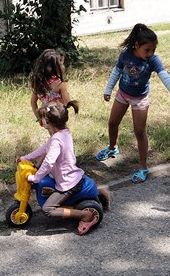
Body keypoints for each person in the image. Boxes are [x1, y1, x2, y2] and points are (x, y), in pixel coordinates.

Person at [96, 23, 170, 184]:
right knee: (112, 123)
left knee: (139, 131)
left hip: (139, 99)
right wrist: (108, 89)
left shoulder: (153, 60)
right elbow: (116, 71)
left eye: (153, 50)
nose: (150, 53)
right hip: (122, 94)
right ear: (137, 45)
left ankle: (143, 167)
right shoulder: (125, 54)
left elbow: (165, 76)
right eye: (147, 50)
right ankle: (112, 148)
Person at [17, 101, 111, 236]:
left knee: (48, 209)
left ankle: (84, 215)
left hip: (68, 183)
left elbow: (49, 162)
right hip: (70, 176)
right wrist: (25, 158)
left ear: (47, 122)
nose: (40, 120)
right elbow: (44, 149)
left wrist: (36, 177)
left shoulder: (56, 140)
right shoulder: (63, 133)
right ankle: (96, 194)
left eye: (42, 118)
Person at [29, 49, 70, 127]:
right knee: (63, 135)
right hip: (58, 117)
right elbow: (67, 102)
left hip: (46, 118)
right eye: (61, 63)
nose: (63, 66)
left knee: (52, 135)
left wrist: (39, 117)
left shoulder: (39, 83)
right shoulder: (60, 84)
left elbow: (33, 102)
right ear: (55, 67)